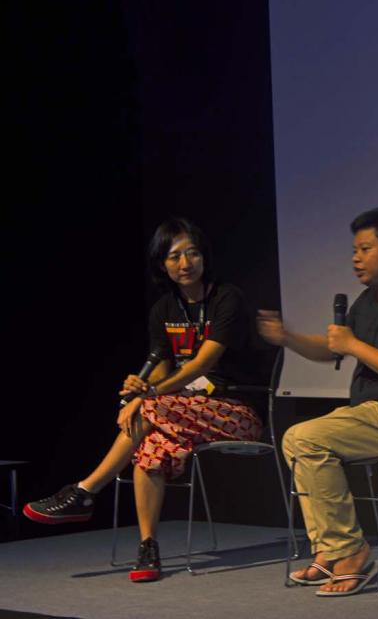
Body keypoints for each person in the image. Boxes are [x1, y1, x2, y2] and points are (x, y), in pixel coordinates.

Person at [23, 218, 264, 582]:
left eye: (192, 253)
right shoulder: (163, 310)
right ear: (161, 265)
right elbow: (162, 369)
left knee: (148, 410)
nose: (185, 264)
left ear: (204, 257)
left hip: (236, 412)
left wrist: (147, 396)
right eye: (174, 257)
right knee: (150, 444)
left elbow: (203, 362)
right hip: (178, 411)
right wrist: (139, 386)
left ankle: (84, 491)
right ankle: (148, 547)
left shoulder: (226, 298)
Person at [258, 208, 378, 597]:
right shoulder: (369, 301)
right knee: (302, 439)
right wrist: (289, 338)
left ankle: (350, 551)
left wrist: (353, 345)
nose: (356, 258)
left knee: (305, 439)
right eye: (354, 250)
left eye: (366, 249)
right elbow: (333, 349)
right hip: (373, 414)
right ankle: (331, 552)